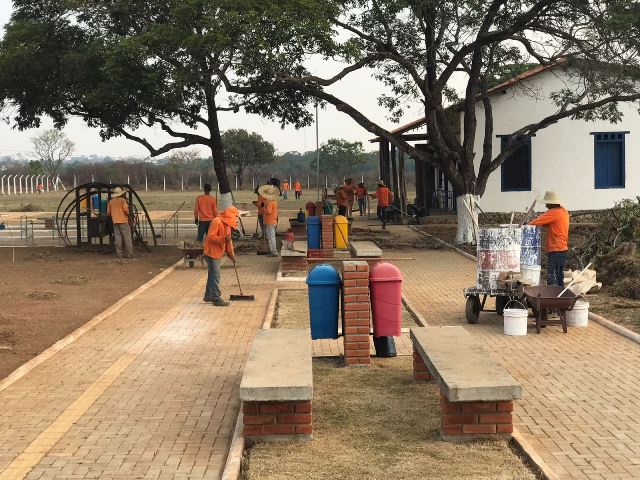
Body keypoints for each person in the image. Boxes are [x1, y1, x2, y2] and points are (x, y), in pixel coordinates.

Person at [528, 191, 570, 286]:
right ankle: (560, 293)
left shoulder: (553, 212)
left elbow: (534, 223)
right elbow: (551, 224)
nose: (546, 205)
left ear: (551, 203)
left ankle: (552, 293)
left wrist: (525, 225)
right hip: (562, 248)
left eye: (547, 203)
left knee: (552, 275)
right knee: (559, 275)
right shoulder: (563, 211)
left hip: (556, 248)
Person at [203, 206, 238, 306]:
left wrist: (231, 255)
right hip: (211, 252)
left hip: (217, 253)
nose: (235, 220)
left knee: (212, 274)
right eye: (235, 217)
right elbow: (210, 238)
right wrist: (223, 238)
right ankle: (216, 297)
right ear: (229, 216)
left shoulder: (227, 225)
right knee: (215, 275)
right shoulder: (216, 222)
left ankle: (208, 295)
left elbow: (228, 242)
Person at [107, 187, 134, 258]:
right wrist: (129, 215)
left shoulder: (110, 202)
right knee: (127, 237)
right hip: (123, 221)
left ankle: (119, 254)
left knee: (118, 238)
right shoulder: (122, 200)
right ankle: (129, 254)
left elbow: (108, 213)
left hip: (115, 222)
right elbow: (126, 210)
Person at [259, 184, 280, 257]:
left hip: (270, 221)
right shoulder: (273, 201)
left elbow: (269, 211)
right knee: (270, 237)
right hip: (270, 221)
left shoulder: (270, 201)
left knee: (271, 237)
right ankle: (272, 250)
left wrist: (263, 208)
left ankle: (274, 251)